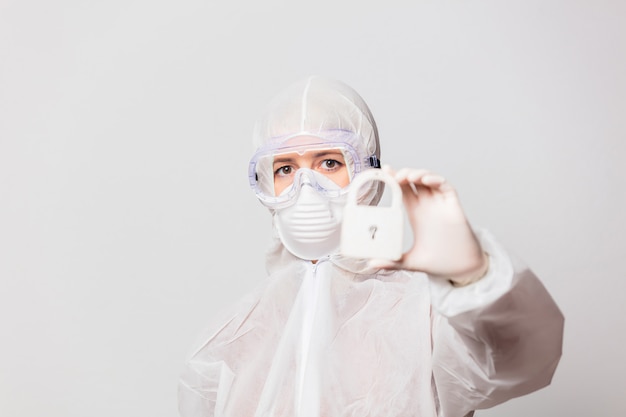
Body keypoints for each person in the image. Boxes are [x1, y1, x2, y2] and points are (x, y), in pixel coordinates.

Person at [178, 76, 564, 417]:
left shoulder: (425, 314)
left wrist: (473, 279)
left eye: (329, 163)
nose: (306, 186)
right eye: (285, 169)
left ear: (367, 170)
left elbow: (522, 360)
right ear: (266, 186)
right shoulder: (230, 340)